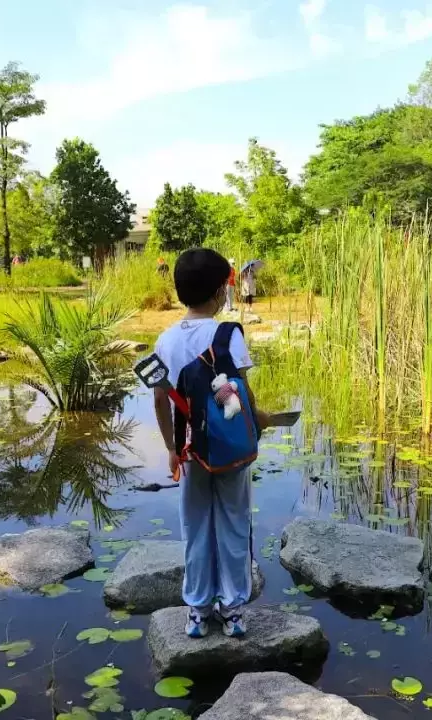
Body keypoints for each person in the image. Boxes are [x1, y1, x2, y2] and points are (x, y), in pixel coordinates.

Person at [152, 248, 271, 639]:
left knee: (195, 526)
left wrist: (171, 447)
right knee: (235, 523)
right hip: (230, 450)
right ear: (221, 291)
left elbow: (160, 399)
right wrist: (260, 423)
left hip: (189, 450)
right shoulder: (228, 333)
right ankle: (233, 610)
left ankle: (198, 612)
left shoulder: (165, 340)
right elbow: (244, 393)